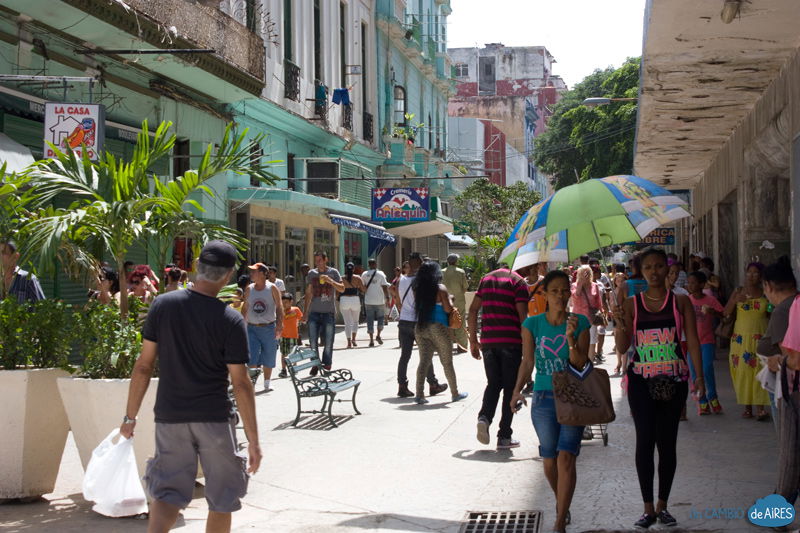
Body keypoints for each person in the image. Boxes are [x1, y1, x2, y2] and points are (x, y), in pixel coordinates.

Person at [119, 240, 260, 533]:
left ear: (196, 267)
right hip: (214, 418)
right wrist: (253, 439)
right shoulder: (230, 320)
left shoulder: (163, 306)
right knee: (221, 498)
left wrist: (130, 418)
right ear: (227, 276)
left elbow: (143, 365)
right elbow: (241, 383)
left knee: (168, 494)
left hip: (171, 416)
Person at [613, 248, 705, 529]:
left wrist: (699, 377)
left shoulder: (680, 302)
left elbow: (693, 340)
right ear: (640, 272)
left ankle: (664, 506)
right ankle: (647, 508)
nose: (653, 272)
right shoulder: (631, 304)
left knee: (667, 444)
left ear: (667, 269)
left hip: (674, 383)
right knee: (644, 443)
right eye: (648, 267)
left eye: (658, 266)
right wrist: (619, 324)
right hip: (641, 383)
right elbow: (623, 347)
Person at [510, 270, 591, 533]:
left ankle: (559, 521)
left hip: (573, 397)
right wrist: (515, 390)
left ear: (570, 292)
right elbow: (527, 361)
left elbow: (581, 363)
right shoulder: (531, 324)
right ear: (544, 293)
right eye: (554, 290)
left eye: (564, 290)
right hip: (544, 397)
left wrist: (570, 339)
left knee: (566, 457)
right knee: (549, 459)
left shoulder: (580, 323)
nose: (560, 295)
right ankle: (561, 502)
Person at [468, 262, 529, 449]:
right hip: (511, 342)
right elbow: (523, 317)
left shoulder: (486, 279)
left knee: (493, 384)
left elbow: (472, 310)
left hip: (488, 342)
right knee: (511, 388)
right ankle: (504, 436)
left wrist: (473, 340)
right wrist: (528, 344)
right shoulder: (518, 282)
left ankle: (484, 417)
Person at [412, 261, 468, 405]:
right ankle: (455, 393)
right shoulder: (440, 288)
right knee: (447, 362)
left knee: (424, 362)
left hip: (420, 327)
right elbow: (448, 309)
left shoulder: (417, 288)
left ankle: (419, 394)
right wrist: (450, 298)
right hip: (438, 327)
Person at [396, 252, 447, 398]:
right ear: (419, 262)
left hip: (403, 321)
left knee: (404, 356)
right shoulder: (421, 281)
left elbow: (398, 301)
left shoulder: (400, 280)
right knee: (426, 354)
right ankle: (433, 384)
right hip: (417, 322)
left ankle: (402, 386)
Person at [724, 262, 771, 420]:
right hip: (741, 340)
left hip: (761, 338)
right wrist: (736, 300)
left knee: (760, 371)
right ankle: (747, 407)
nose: (751, 275)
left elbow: (771, 311)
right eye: (749, 272)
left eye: (755, 272)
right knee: (744, 372)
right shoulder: (738, 291)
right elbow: (726, 313)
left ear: (761, 276)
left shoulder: (766, 292)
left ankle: (760, 408)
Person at [759, 257, 798, 433]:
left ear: (768, 286)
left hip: (788, 385)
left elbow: (791, 358)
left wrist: (777, 361)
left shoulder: (784, 309)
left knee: (788, 436)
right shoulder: (794, 302)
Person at [686, 271, 725, 415]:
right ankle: (702, 401)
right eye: (689, 282)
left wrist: (712, 312)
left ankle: (713, 397)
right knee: (695, 372)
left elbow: (723, 315)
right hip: (692, 342)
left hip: (707, 340)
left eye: (693, 282)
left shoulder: (710, 300)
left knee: (707, 368)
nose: (690, 285)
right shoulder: (687, 300)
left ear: (702, 284)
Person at [776, 283, 800, 507]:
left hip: (796, 392)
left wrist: (781, 360)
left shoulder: (797, 305)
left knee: (791, 454)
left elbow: (795, 358)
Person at [243, 263, 284, 392]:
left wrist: (279, 325)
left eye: (254, 272)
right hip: (252, 328)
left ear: (262, 273)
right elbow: (245, 307)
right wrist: (241, 324)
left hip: (268, 327)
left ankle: (267, 382)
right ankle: (252, 384)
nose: (251, 274)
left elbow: (279, 307)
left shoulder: (272, 288)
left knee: (269, 354)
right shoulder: (249, 288)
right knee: (252, 356)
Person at [302, 251, 344, 374]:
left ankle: (327, 363)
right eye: (316, 260)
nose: (318, 262)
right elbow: (309, 292)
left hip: (328, 312)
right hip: (314, 312)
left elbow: (342, 288)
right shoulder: (312, 273)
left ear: (326, 260)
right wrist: (305, 312)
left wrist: (330, 281)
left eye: (320, 260)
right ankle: (315, 363)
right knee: (313, 341)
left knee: (329, 341)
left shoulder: (333, 272)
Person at [571, 265, 604, 364]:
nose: (586, 275)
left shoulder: (595, 285)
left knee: (592, 341)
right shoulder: (574, 285)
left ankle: (589, 364)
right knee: (578, 341)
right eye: (583, 273)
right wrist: (580, 284)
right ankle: (580, 361)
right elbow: (575, 296)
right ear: (579, 274)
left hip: (591, 318)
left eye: (588, 273)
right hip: (578, 318)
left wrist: (602, 314)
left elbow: (598, 302)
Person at [442, 253, 469, 353]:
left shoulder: (442, 272)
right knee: (460, 323)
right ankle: (461, 346)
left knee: (446, 323)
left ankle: (446, 346)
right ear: (456, 261)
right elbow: (465, 287)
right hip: (459, 301)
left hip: (445, 301)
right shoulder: (461, 272)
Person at [361, 258, 391, 347]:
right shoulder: (381, 274)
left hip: (368, 301)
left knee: (369, 320)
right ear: (375, 264)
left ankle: (371, 340)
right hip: (379, 301)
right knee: (380, 319)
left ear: (369, 265)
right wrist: (387, 297)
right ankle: (378, 335)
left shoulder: (364, 274)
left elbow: (362, 286)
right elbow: (385, 287)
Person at [339, 262, 365, 349]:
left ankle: (349, 342)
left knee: (347, 323)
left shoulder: (341, 278)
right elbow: (363, 289)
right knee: (355, 321)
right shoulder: (357, 278)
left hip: (344, 299)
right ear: (353, 269)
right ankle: (354, 339)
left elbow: (337, 290)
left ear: (346, 269)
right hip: (355, 299)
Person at [278, 293, 303, 379]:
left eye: (286, 302)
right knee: (283, 353)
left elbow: (301, 319)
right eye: (283, 302)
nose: (284, 304)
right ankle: (283, 369)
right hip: (283, 336)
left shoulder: (296, 310)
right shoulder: (280, 311)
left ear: (291, 302)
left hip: (293, 336)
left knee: (293, 353)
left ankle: (294, 368)